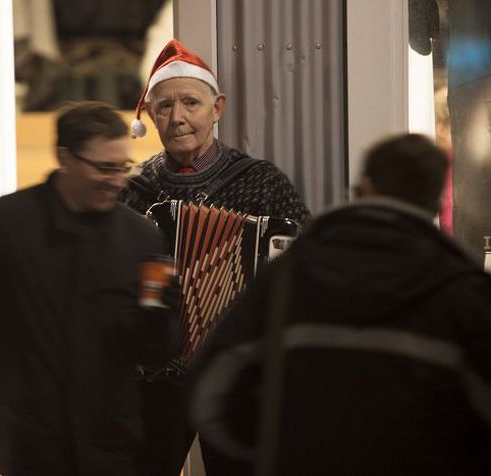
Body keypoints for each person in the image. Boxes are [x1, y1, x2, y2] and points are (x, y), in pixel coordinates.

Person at [191, 133, 491, 474]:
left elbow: (213, 386)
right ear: (436, 204)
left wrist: (261, 455)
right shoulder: (463, 293)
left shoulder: (288, 277)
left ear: (365, 188)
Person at [119, 38, 310, 476]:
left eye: (191, 102)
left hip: (238, 376)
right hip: (156, 375)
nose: (178, 117)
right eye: (164, 106)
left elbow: (304, 269)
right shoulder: (134, 190)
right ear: (149, 115)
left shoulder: (261, 182)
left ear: (217, 108)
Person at [0, 101, 179, 475]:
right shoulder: (6, 223)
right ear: (64, 157)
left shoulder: (139, 236)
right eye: (104, 168)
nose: (117, 180)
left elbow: (155, 351)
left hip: (107, 444)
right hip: (28, 445)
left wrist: (161, 313)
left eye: (123, 168)